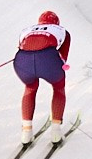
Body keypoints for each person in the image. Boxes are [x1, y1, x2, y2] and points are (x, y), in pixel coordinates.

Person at [14, 11, 73, 145]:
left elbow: (24, 47)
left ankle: (26, 132)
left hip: (22, 61)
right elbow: (63, 58)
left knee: (30, 88)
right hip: (48, 60)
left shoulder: (26, 30)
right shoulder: (62, 31)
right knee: (58, 89)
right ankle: (56, 132)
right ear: (56, 23)